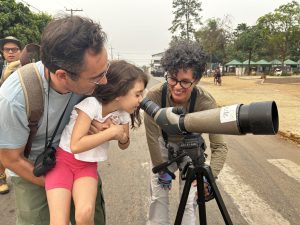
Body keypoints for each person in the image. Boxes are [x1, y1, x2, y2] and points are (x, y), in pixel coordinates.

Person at [0, 16, 109, 225]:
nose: (104, 81)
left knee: (90, 216)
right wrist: (60, 184)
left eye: (106, 70)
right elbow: (10, 159)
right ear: (62, 76)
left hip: (76, 160)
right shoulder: (14, 98)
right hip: (32, 167)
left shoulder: (89, 74)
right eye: (97, 77)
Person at [45, 60, 148, 225]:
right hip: (63, 162)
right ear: (119, 92)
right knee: (59, 221)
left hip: (86, 166)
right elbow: (76, 145)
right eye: (137, 94)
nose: (141, 100)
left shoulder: (123, 114)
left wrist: (122, 137)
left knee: (84, 214)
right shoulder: (91, 105)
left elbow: (124, 144)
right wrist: (110, 133)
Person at [144, 40, 229, 225]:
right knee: (157, 200)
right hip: (163, 146)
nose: (177, 86)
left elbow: (219, 145)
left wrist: (210, 177)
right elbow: (151, 136)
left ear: (196, 80)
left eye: (185, 81)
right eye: (173, 78)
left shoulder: (205, 102)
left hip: (191, 150)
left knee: (189, 202)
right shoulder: (154, 96)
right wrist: (160, 167)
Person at [0, 36, 22, 194]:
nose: (11, 52)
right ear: (2, 52)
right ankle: (1, 176)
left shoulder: (27, 66)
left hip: (21, 112)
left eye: (14, 49)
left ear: (20, 52)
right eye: (7, 49)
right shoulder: (1, 67)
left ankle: (24, 169)